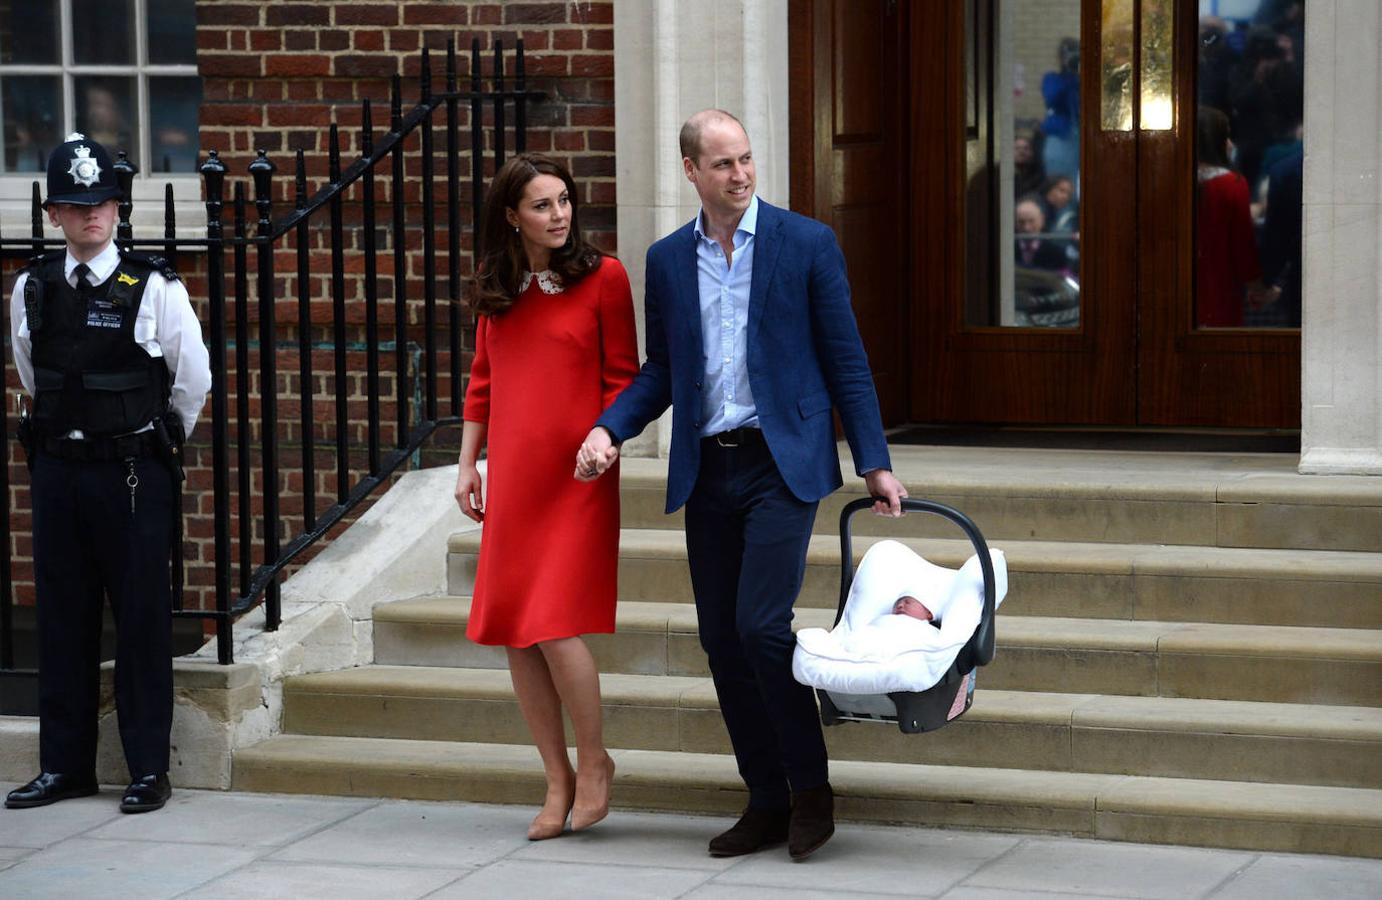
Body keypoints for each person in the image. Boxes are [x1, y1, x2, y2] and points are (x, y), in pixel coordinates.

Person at [576, 109, 907, 861]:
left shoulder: (806, 244)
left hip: (781, 462)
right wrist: (609, 429)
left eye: (747, 159)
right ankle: (765, 798)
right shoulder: (667, 260)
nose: (741, 174)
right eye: (723, 164)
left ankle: (811, 789)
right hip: (708, 466)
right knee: (721, 639)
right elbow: (662, 368)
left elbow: (846, 359)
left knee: (762, 625)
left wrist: (874, 459)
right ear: (690, 170)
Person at [5, 133, 211, 813]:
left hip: (130, 475)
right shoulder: (32, 287)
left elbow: (192, 379)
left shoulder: (153, 286)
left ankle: (149, 768)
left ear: (118, 209)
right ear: (54, 215)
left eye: (102, 204)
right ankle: (65, 766)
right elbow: (32, 375)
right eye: (74, 205)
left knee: (142, 621)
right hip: (60, 473)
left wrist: (155, 441)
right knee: (62, 621)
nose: (90, 216)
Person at [454, 153, 639, 841]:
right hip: (516, 479)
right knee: (517, 632)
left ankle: (595, 764)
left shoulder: (604, 278)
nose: (559, 214)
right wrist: (468, 465)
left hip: (579, 475)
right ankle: (556, 778)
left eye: (564, 200)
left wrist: (605, 437)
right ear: (512, 216)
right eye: (542, 204)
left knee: (553, 623)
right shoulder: (496, 285)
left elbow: (624, 377)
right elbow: (483, 381)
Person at [1195, 107, 1275, 327]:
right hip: (1219, 297)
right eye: (1225, 136)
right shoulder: (1231, 185)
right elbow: (1244, 250)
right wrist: (1259, 289)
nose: (1230, 144)